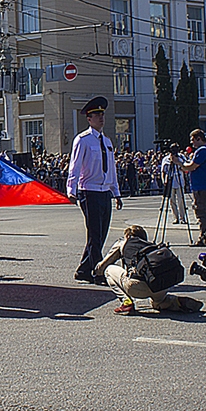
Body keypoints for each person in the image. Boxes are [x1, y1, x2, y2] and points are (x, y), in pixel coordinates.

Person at [67, 96, 122, 286]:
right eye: (96, 115)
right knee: (95, 234)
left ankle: (83, 270)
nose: (101, 118)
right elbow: (75, 166)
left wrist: (116, 192)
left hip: (104, 190)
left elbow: (111, 169)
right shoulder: (82, 140)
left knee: (100, 233)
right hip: (89, 191)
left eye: (102, 114)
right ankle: (98, 272)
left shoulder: (106, 141)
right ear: (89, 118)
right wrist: (71, 190)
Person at [94, 225, 203, 315]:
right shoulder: (152, 246)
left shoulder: (122, 243)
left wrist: (96, 271)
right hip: (159, 285)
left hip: (137, 286)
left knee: (108, 270)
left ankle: (126, 302)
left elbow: (102, 267)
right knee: (157, 303)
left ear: (127, 236)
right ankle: (175, 302)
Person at [175, 129, 206, 241]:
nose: (192, 143)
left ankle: (204, 237)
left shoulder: (202, 150)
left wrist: (179, 163)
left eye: (193, 140)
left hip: (202, 186)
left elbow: (191, 167)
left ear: (199, 138)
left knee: (201, 213)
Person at [160, 144, 187, 225]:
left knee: (181, 200)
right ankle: (176, 217)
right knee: (172, 201)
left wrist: (178, 162)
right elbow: (163, 171)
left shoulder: (181, 157)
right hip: (170, 181)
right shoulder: (166, 159)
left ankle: (182, 217)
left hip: (179, 181)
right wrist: (163, 180)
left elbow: (186, 167)